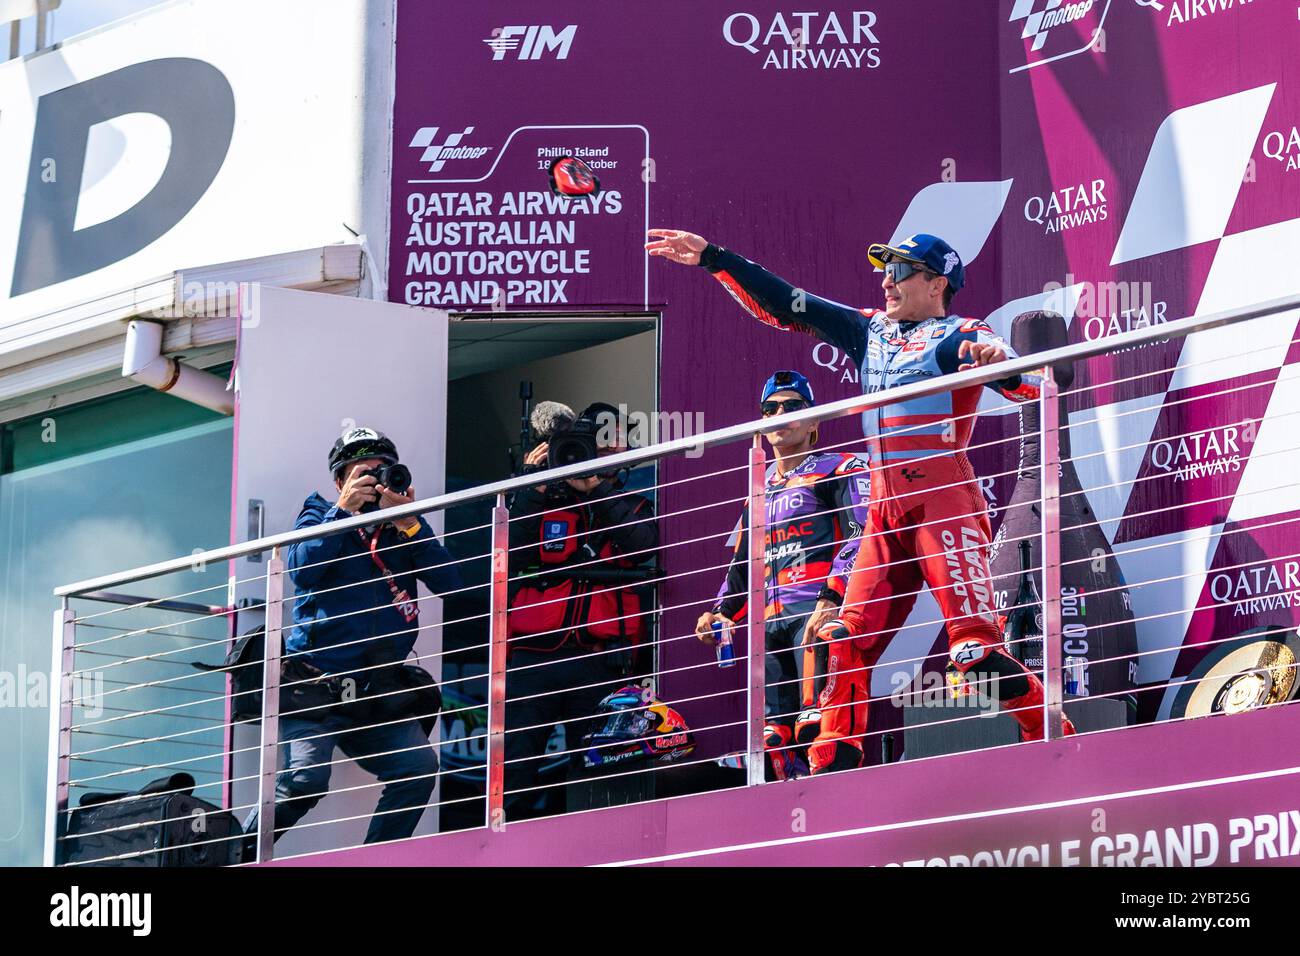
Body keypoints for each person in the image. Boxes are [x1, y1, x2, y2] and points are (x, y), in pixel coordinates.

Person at [646, 229, 1074, 774]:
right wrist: (712, 257)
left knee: (973, 652)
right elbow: (788, 304)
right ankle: (832, 771)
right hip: (883, 507)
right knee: (841, 638)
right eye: (885, 269)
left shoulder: (959, 332)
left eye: (901, 270)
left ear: (937, 282)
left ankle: (1056, 737)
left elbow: (1032, 384)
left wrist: (1001, 362)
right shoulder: (869, 329)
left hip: (941, 496)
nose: (887, 279)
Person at [244, 426, 461, 846]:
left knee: (418, 771)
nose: (376, 481)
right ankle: (235, 855)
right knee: (304, 780)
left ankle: (372, 861)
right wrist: (342, 513)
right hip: (314, 688)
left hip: (375, 692)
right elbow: (301, 570)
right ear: (341, 480)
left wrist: (412, 524)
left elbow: (452, 584)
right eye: (364, 472)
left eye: (385, 471)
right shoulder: (317, 513)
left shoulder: (404, 526)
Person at [695, 370, 870, 780]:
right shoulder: (759, 490)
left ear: (814, 421)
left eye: (793, 407)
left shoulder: (840, 467)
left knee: (819, 726)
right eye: (770, 408)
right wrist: (722, 611)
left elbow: (862, 535)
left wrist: (832, 599)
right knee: (773, 737)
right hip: (768, 624)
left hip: (817, 615)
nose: (779, 414)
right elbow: (743, 563)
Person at [504, 403, 658, 818]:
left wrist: (596, 489)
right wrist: (531, 487)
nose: (592, 455)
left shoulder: (634, 504)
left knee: (593, 770)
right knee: (513, 767)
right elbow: (508, 553)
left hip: (600, 661)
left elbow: (644, 546)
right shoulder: (538, 500)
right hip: (531, 658)